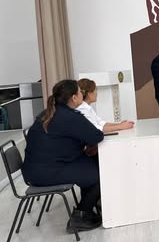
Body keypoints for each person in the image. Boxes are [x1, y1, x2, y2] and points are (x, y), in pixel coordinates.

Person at [22, 80, 104, 232]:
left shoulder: (47, 113)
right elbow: (97, 136)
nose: (82, 94)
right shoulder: (70, 116)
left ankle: (89, 206)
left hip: (34, 170)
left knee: (90, 165)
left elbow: (60, 143)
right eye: (80, 92)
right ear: (74, 98)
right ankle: (81, 215)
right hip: (46, 172)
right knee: (101, 173)